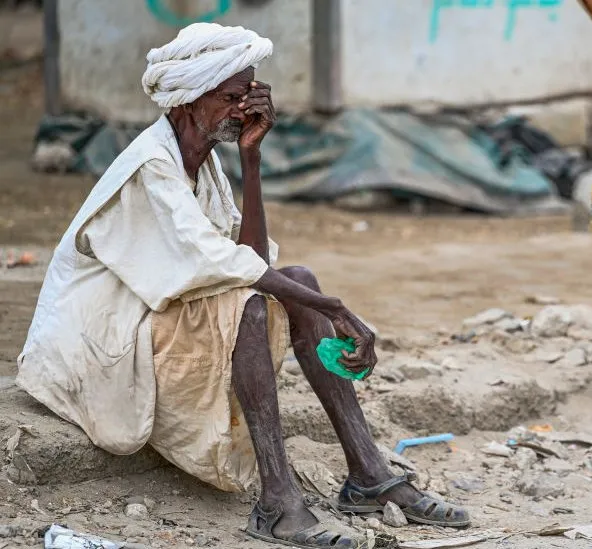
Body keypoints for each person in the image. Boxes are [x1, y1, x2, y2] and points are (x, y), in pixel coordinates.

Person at [16, 22, 469, 548]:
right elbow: (219, 265)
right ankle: (278, 501)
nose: (245, 110)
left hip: (146, 322)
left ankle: (369, 475)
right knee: (252, 305)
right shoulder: (149, 168)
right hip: (96, 346)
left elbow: (250, 258)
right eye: (232, 97)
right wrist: (336, 307)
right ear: (189, 100)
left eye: (250, 96)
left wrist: (251, 158)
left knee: (296, 279)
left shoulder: (203, 166)